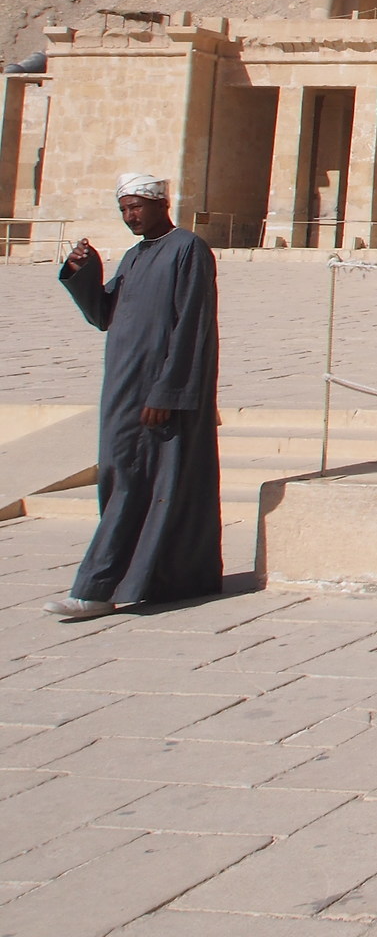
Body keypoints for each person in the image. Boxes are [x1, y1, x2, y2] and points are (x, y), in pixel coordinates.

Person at [43, 173, 222, 621]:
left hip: (159, 392)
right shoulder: (133, 257)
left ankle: (95, 586)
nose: (131, 216)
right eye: (124, 209)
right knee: (122, 476)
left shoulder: (188, 249)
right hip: (123, 389)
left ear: (162, 204)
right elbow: (104, 314)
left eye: (137, 206)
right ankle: (164, 579)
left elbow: (193, 327)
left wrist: (170, 390)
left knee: (135, 480)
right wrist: (86, 273)